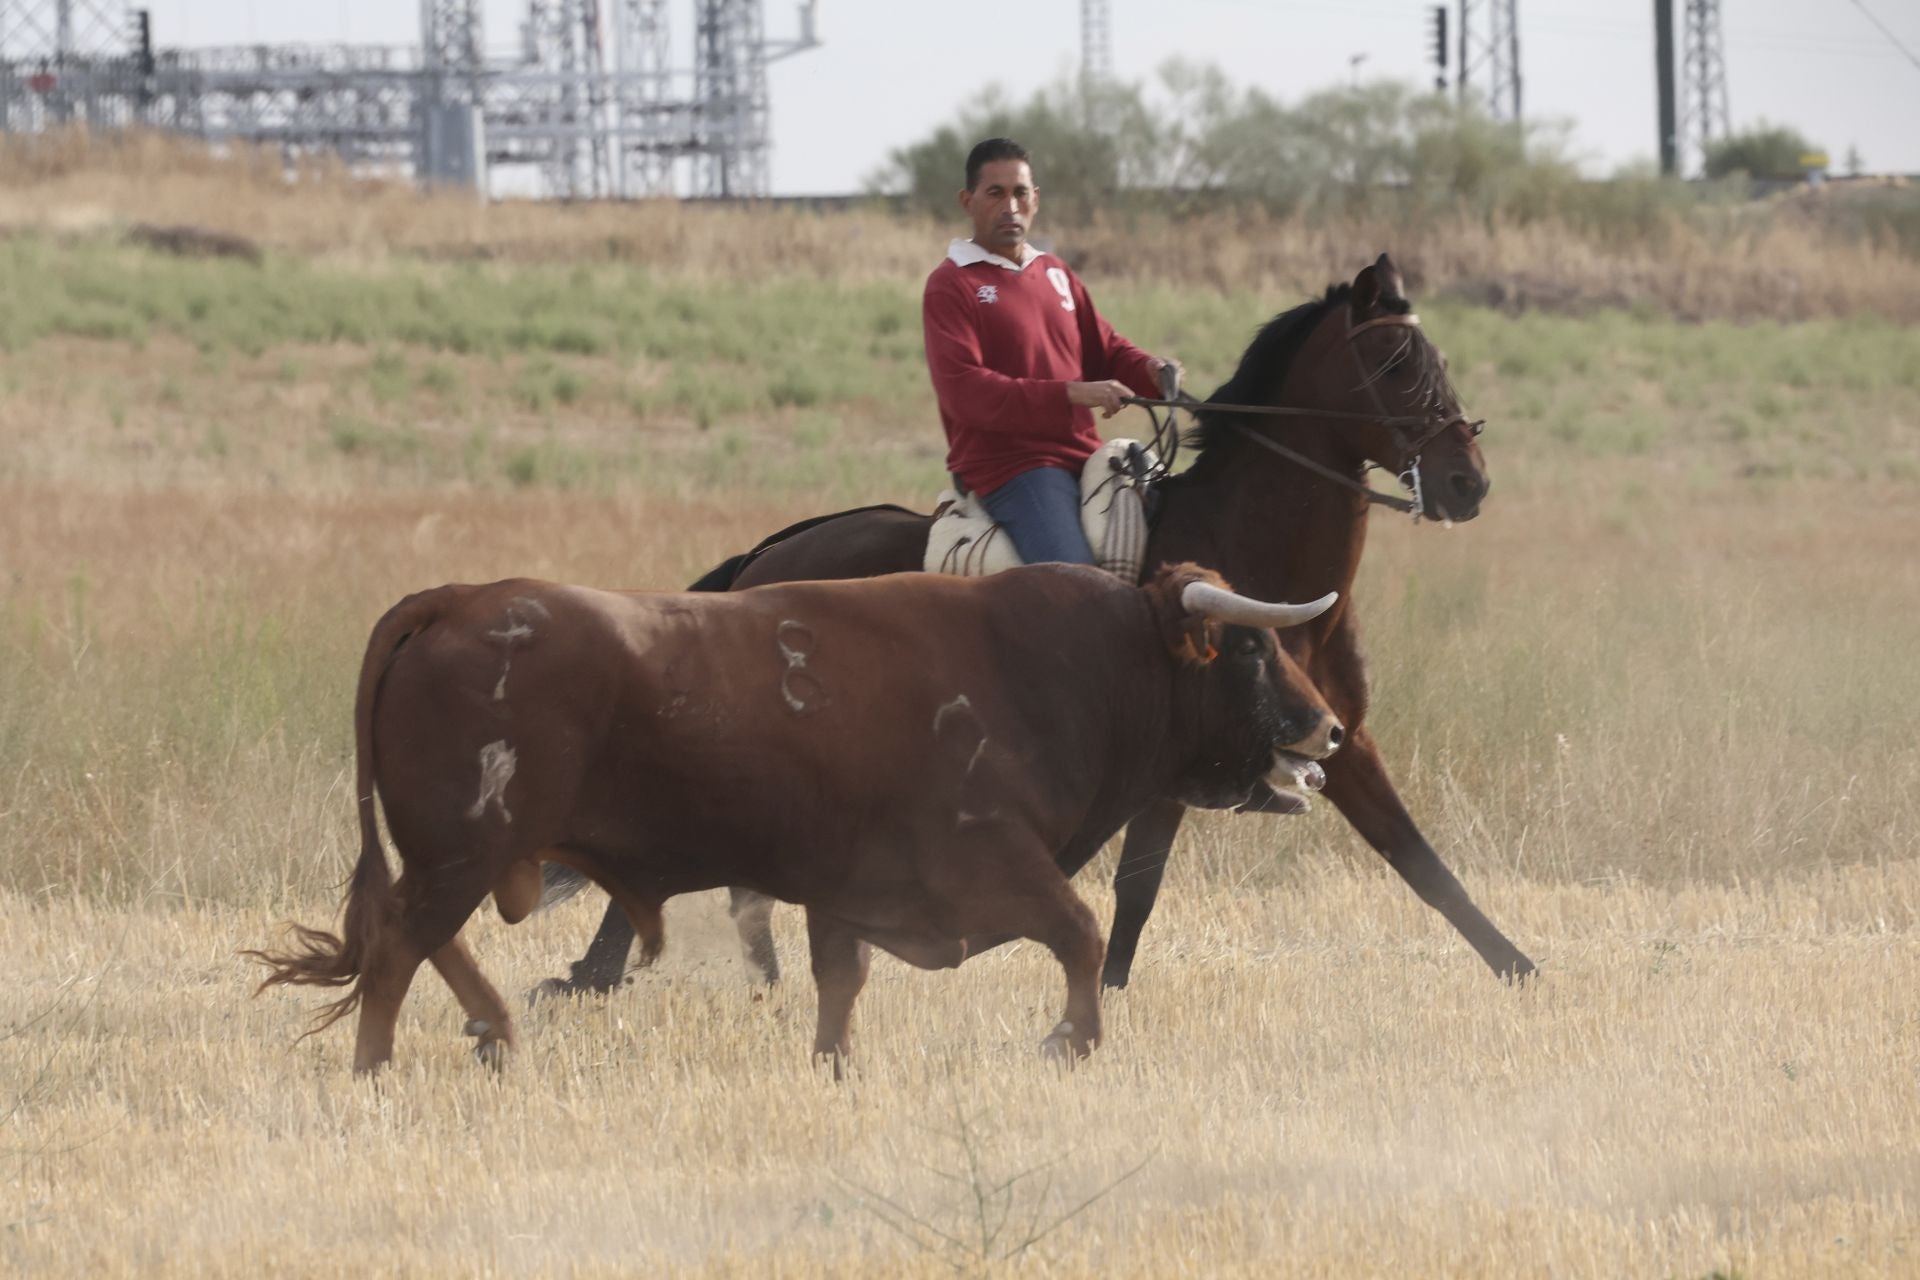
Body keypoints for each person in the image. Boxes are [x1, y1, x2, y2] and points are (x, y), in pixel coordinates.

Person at [922, 137, 1180, 566]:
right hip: (1013, 468)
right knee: (1076, 584)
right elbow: (966, 392)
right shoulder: (951, 284)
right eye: (995, 193)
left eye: (1020, 193)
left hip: (1087, 456)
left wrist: (1150, 369)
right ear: (967, 201)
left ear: (1035, 199)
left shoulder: (1056, 273)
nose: (1010, 207)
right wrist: (1072, 394)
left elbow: (1105, 349)